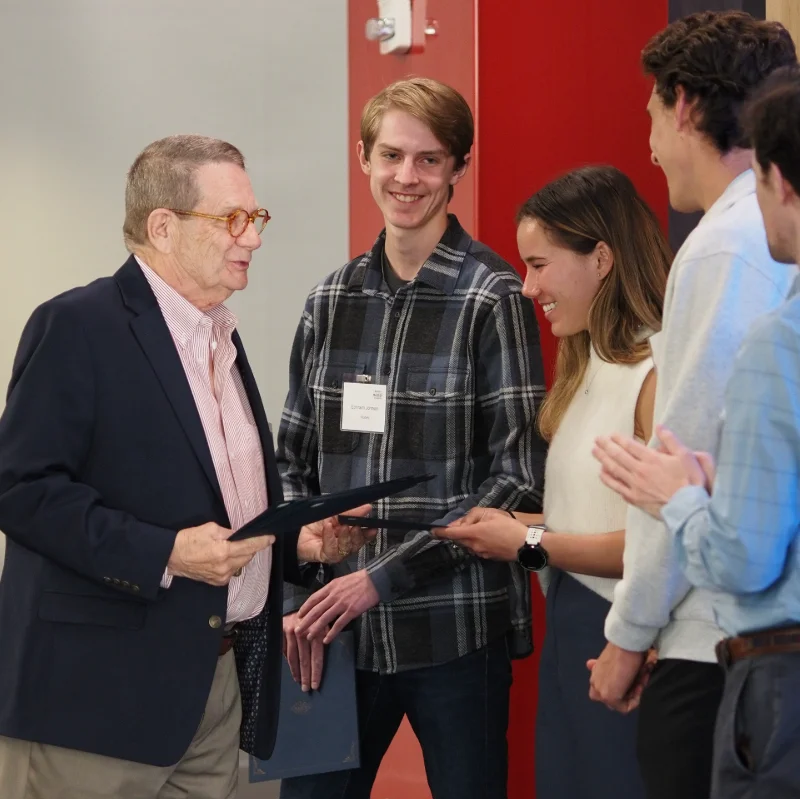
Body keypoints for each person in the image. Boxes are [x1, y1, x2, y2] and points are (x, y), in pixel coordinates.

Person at [0, 135, 372, 800]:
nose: (252, 238)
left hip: (214, 686)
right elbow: (21, 492)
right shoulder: (76, 326)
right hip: (95, 704)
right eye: (233, 219)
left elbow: (221, 503)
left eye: (254, 219)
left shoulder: (220, 337)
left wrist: (295, 543)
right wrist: (166, 553)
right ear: (163, 227)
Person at [277, 77, 546, 800]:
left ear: (459, 168)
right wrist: (309, 537)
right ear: (363, 157)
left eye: (430, 160)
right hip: (334, 632)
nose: (407, 177)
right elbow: (290, 461)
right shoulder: (330, 301)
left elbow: (519, 477)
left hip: (454, 630)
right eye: (392, 155)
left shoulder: (493, 299)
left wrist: (384, 577)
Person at [586, 11, 797, 800]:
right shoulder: (761, 239)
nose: (647, 143)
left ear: (681, 104)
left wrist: (629, 636)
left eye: (648, 114)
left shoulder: (725, 244)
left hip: (722, 637)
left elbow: (673, 465)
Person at [437, 165, 670, 800]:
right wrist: (520, 528)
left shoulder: (657, 373)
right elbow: (587, 523)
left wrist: (529, 542)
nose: (526, 285)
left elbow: (653, 545)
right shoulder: (584, 364)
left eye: (539, 264)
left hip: (623, 638)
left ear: (600, 259)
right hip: (570, 630)